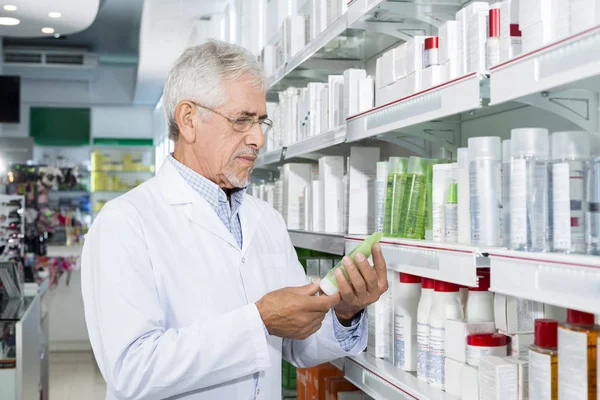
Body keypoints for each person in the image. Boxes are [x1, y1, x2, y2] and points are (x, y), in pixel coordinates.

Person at [81, 40, 389, 400]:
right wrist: (258, 321)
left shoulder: (266, 221)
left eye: (261, 122)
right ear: (189, 119)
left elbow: (296, 346)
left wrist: (346, 311)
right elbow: (131, 371)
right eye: (242, 120)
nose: (257, 138)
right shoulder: (125, 223)